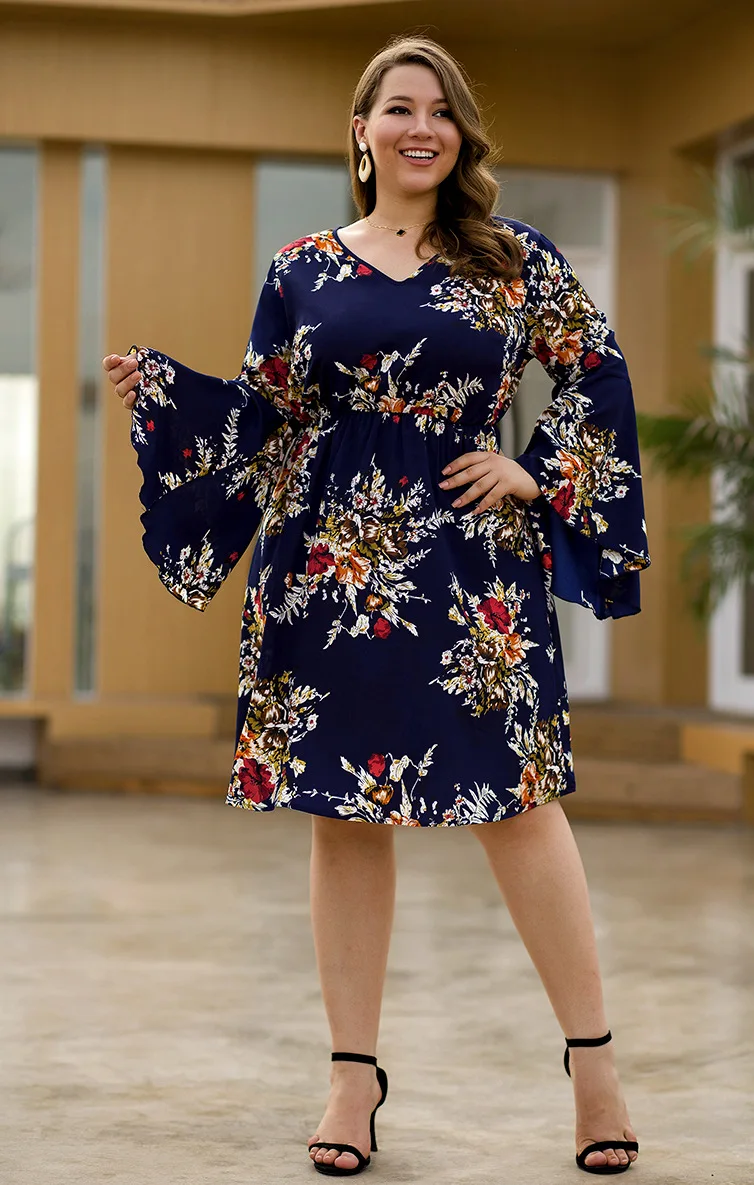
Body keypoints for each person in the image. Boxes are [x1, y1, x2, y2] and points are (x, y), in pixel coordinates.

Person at [103, 34, 647, 1179]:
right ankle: (351, 1081)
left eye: (440, 111)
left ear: (459, 136)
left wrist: (537, 470)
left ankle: (594, 1065)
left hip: (473, 575)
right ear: (361, 132)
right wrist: (166, 396)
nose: (421, 127)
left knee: (519, 804)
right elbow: (263, 416)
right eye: (399, 107)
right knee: (346, 817)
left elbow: (596, 367)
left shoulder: (513, 259)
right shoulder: (300, 268)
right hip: (326, 573)